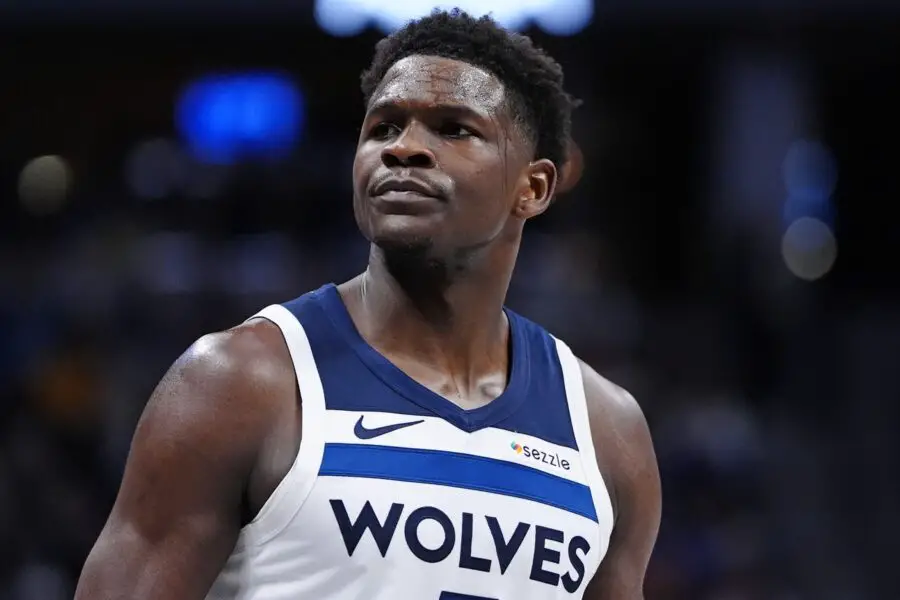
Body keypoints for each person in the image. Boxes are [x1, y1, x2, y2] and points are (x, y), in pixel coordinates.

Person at [75, 9, 661, 599]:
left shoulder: (606, 431)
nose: (404, 148)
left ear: (532, 188)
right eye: (382, 128)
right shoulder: (240, 382)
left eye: (454, 128)